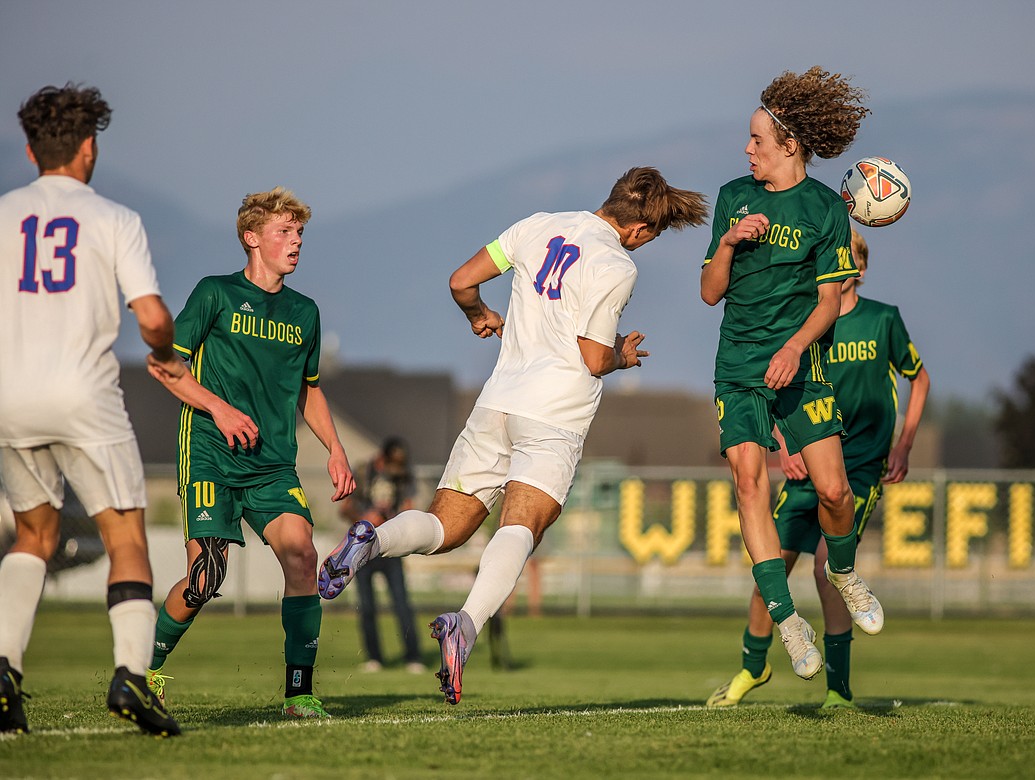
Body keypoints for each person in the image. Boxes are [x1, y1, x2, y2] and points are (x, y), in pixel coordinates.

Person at [318, 166, 708, 704]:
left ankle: (371, 539)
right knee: (522, 526)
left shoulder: (538, 225)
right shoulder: (616, 264)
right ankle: (467, 626)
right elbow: (592, 358)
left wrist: (480, 314)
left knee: (443, 527)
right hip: (554, 415)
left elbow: (461, 281)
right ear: (640, 230)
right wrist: (623, 355)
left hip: (497, 402)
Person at [0, 84, 180, 735]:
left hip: (9, 398)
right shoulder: (114, 219)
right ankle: (132, 677)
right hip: (84, 397)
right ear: (89, 148)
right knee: (125, 537)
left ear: (28, 151)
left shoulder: (3, 214)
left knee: (32, 536)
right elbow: (154, 319)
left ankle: (3, 673)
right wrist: (166, 350)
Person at [145, 187, 356, 719]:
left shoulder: (304, 312)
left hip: (271, 465)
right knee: (205, 578)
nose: (296, 242)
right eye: (284, 232)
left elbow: (310, 388)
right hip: (212, 453)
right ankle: (145, 672)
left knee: (303, 554)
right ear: (251, 237)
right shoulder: (214, 294)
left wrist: (336, 449)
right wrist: (219, 408)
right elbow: (168, 366)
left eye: (300, 233)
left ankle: (299, 694)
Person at [699, 67, 881, 681]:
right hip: (739, 368)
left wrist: (796, 349)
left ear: (790, 146)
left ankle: (845, 571)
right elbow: (708, 293)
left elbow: (830, 302)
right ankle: (785, 618)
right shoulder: (733, 197)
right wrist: (727, 241)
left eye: (757, 141)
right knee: (749, 483)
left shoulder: (827, 208)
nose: (747, 150)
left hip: (801, 366)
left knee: (835, 492)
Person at [707, 228, 930, 709]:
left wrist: (904, 444)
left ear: (859, 270)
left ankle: (839, 689)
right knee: (773, 564)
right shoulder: (807, 319)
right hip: (806, 462)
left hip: (861, 465)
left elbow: (920, 377)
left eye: (844, 258)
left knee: (829, 566)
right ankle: (753, 666)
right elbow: (778, 385)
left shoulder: (882, 320)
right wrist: (784, 445)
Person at [340, 436, 426, 674]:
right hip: (363, 550)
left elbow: (409, 509)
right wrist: (365, 522)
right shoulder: (362, 472)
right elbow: (344, 509)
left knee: (401, 604)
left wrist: (394, 522)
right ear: (381, 459)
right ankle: (374, 657)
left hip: (392, 547)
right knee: (367, 606)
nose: (396, 471)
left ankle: (413, 656)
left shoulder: (404, 476)